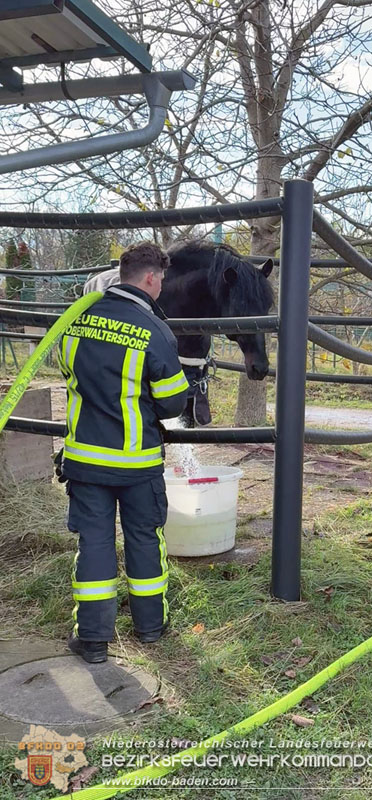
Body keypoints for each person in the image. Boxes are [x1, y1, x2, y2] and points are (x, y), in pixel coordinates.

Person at [58, 241, 189, 663]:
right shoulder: (154, 330)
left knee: (94, 543)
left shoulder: (76, 319)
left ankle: (93, 640)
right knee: (144, 539)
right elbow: (172, 403)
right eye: (162, 280)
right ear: (151, 278)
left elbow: (66, 369)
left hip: (86, 460)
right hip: (137, 464)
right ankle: (150, 627)